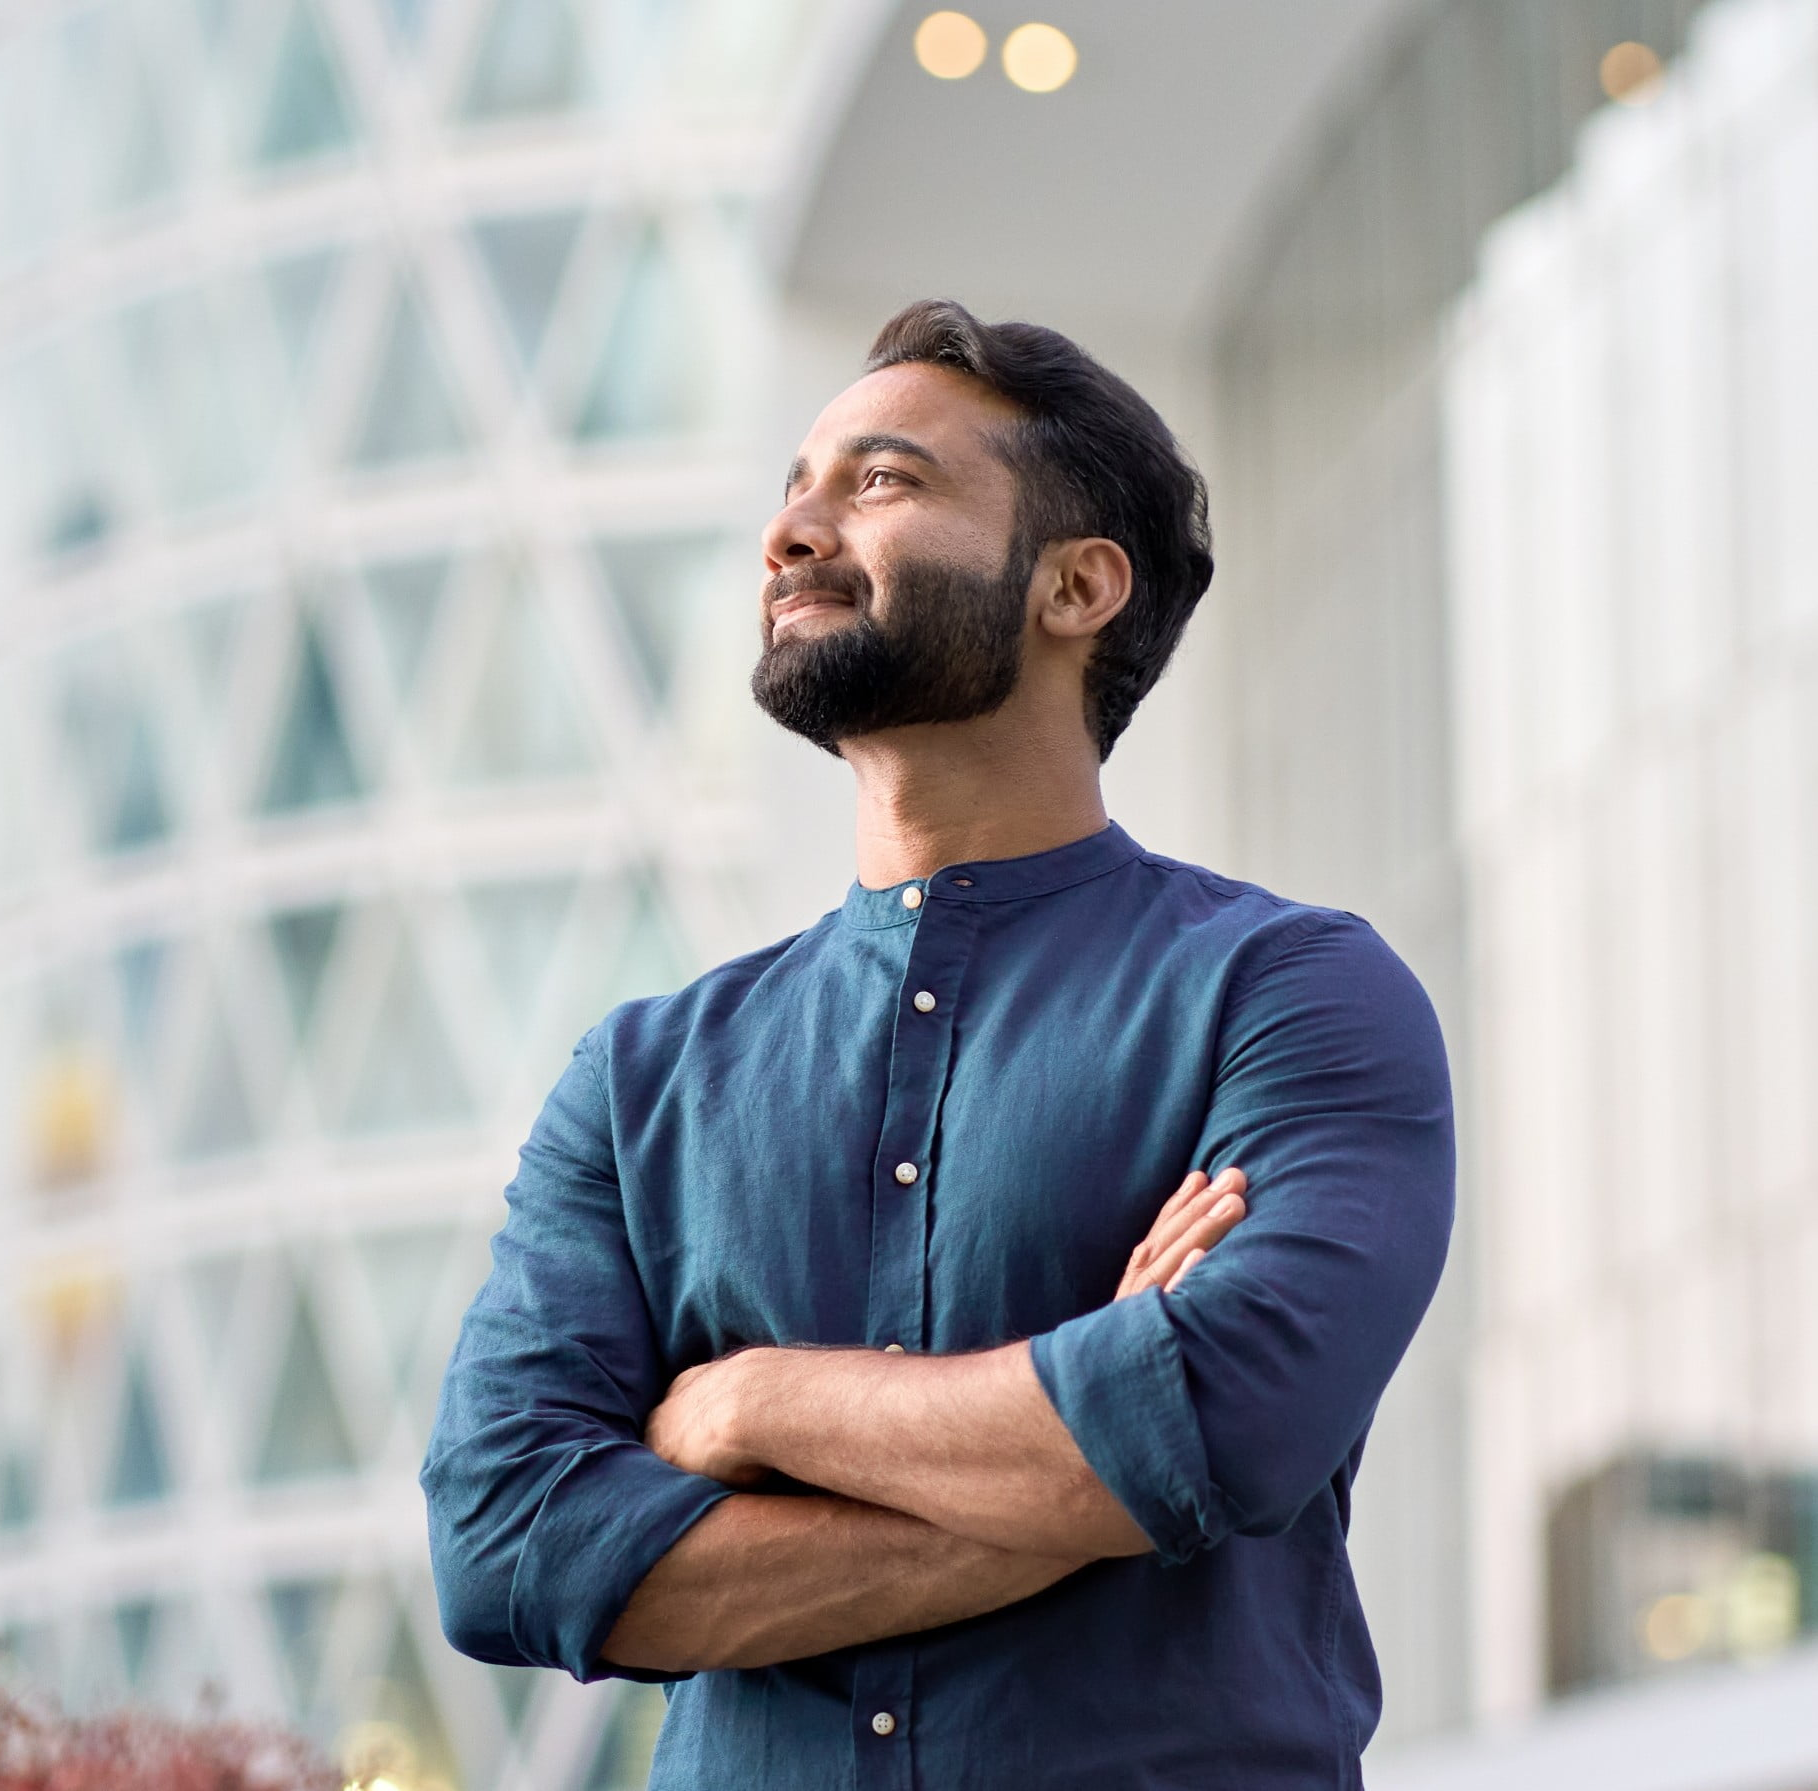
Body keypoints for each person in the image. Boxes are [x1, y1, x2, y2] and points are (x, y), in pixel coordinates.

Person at [422, 300, 1454, 1788]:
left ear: (1076, 586)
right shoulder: (640, 1080)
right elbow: (508, 1547)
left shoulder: (1288, 993)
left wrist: (749, 1401)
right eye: (796, 485)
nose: (792, 531)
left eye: (881, 482)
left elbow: (1228, 1412)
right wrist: (1078, 1447)